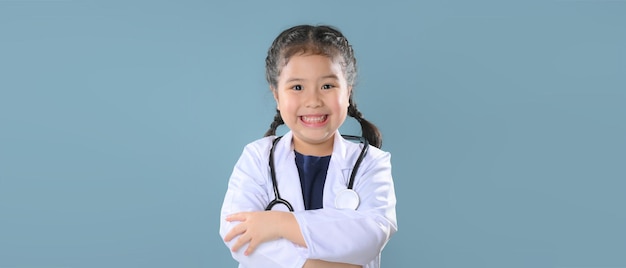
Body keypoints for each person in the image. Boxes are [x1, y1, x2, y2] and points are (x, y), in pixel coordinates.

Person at [219, 24, 397, 268]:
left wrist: (279, 224)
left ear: (348, 93)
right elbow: (238, 234)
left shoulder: (371, 163)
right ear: (276, 96)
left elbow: (372, 233)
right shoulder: (257, 157)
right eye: (297, 87)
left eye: (327, 86)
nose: (313, 101)